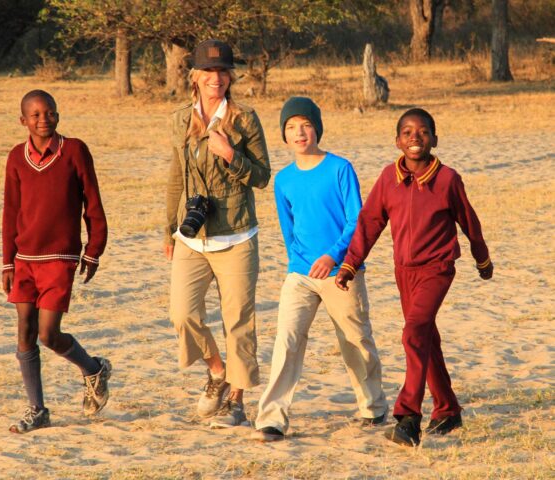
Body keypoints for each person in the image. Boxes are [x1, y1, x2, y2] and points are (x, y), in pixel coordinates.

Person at [335, 108, 493, 447]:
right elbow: (369, 223)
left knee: (413, 332)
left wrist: (483, 259)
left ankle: (408, 417)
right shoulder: (388, 178)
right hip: (402, 271)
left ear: (435, 140)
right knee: (425, 337)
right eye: (407, 132)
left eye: (422, 132)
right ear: (397, 141)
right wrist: (350, 264)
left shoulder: (448, 179)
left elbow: (469, 220)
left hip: (437, 268)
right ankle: (448, 409)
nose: (415, 137)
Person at [251, 97, 387, 442]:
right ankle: (272, 419)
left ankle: (372, 406)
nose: (299, 133)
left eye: (306, 125)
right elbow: (288, 226)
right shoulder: (283, 179)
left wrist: (333, 256)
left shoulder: (340, 168)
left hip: (342, 271)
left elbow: (357, 220)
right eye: (291, 127)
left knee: (355, 340)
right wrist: (298, 262)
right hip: (299, 273)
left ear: (317, 129)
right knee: (287, 340)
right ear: (284, 135)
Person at [164, 39, 271, 428]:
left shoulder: (244, 119)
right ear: (194, 76)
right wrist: (168, 230)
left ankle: (237, 402)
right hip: (191, 235)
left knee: (238, 320)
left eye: (223, 71)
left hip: (237, 234)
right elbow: (176, 176)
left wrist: (230, 155)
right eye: (209, 71)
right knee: (182, 313)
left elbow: (261, 176)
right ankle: (217, 370)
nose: (217, 78)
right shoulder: (180, 119)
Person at [2, 89, 111, 433]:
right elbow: (10, 212)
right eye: (34, 115)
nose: (43, 119)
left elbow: (92, 202)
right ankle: (37, 409)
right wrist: (7, 262)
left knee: (48, 334)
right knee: (24, 332)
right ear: (23, 121)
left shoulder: (74, 151)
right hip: (24, 260)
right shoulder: (16, 158)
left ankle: (93, 368)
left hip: (60, 258)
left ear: (58, 115)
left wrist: (94, 248)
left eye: (49, 112)